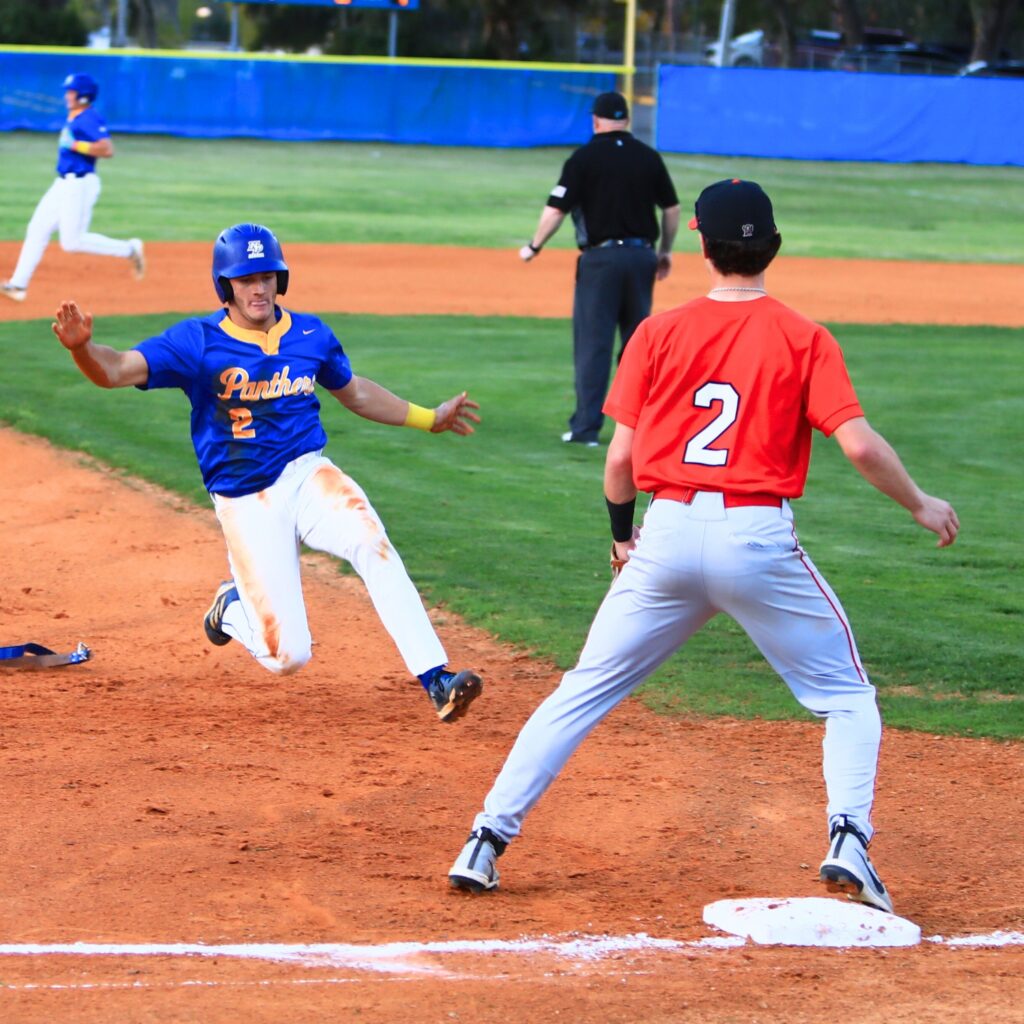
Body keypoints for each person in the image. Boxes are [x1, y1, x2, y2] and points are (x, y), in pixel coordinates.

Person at [449, 179, 960, 912]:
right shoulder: (804, 336)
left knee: (581, 692)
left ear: (698, 242)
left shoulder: (657, 333)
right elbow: (857, 444)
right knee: (847, 698)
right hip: (756, 537)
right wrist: (919, 502)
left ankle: (485, 839)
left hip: (667, 531)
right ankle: (848, 838)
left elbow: (620, 463)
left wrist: (623, 540)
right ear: (773, 249)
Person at [50, 222, 483, 724]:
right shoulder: (198, 342)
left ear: (280, 279)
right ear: (226, 285)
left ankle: (436, 679)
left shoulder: (310, 334)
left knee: (372, 540)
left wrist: (429, 418)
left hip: (307, 474)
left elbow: (356, 392)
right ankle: (230, 608)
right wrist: (82, 349)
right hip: (244, 499)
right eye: (245, 278)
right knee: (287, 656)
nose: (258, 288)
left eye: (267, 276)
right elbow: (119, 368)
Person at [518, 91, 681, 448]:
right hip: (642, 258)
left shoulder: (584, 158)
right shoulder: (648, 157)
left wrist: (534, 246)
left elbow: (556, 210)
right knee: (639, 345)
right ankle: (643, 429)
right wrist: (665, 251)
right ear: (626, 120)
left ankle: (586, 429)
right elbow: (671, 208)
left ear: (595, 121)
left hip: (601, 261)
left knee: (594, 345)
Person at [2, 72, 145, 303]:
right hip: (63, 183)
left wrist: (76, 144)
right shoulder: (76, 116)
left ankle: (130, 249)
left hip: (80, 184)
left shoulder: (89, 118)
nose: (67, 95)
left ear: (84, 96)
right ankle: (18, 285)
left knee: (72, 242)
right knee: (37, 228)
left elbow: (107, 149)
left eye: (71, 91)